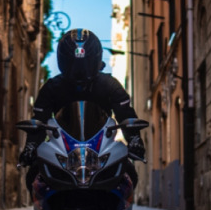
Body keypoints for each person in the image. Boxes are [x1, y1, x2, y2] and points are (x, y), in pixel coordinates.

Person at [19, 29, 146, 170]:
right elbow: (40, 121)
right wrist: (31, 146)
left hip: (101, 149)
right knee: (35, 174)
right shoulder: (52, 87)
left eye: (85, 63)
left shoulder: (109, 85)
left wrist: (135, 140)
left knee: (128, 171)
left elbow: (126, 115)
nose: (79, 69)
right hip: (63, 150)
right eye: (73, 63)